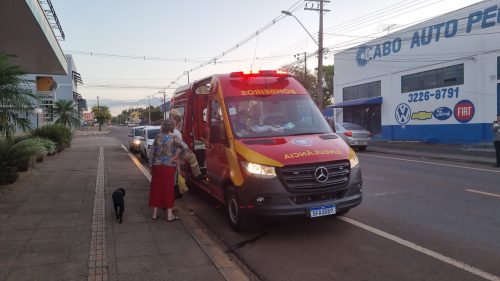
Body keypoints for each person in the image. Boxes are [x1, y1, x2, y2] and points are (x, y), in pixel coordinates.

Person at [148, 119, 184, 221]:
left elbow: (152, 153)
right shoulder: (174, 138)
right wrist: (176, 156)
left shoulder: (157, 137)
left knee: (156, 189)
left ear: (163, 127)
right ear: (172, 127)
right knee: (168, 190)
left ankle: (154, 214)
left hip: (157, 167)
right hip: (168, 167)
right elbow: (184, 147)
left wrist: (150, 166)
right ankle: (169, 215)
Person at [169, 109, 203, 179]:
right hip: (176, 153)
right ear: (177, 122)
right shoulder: (177, 133)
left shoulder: (168, 130)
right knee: (192, 156)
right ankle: (197, 175)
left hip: (169, 152)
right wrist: (186, 148)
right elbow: (180, 147)